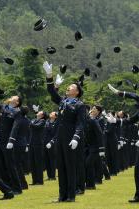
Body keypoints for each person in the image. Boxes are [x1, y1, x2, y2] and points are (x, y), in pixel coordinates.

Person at [43, 61, 86, 202]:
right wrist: (49, 76)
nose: (68, 88)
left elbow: (80, 123)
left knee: (70, 167)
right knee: (60, 167)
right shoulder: (63, 102)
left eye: (71, 87)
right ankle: (62, 196)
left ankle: (71, 196)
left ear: (77, 91)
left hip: (70, 138)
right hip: (60, 137)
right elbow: (51, 92)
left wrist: (76, 137)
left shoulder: (80, 105)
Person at [0, 82, 24, 195]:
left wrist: (11, 140)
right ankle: (7, 187)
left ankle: (17, 188)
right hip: (0, 141)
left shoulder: (17, 112)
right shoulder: (4, 108)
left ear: (17, 102)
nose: (11, 98)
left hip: (8, 142)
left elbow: (15, 127)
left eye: (14, 98)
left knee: (10, 165)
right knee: (0, 165)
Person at [85, 105, 105, 190]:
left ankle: (91, 184)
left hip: (95, 146)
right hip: (88, 147)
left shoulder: (93, 121)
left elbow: (100, 134)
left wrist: (101, 148)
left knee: (89, 163)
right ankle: (89, 184)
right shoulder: (85, 121)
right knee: (87, 164)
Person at [28, 110, 46, 185]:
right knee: (32, 162)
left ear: (42, 115)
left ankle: (39, 180)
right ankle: (34, 180)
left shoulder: (42, 121)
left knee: (38, 162)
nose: (38, 112)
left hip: (38, 143)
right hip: (32, 143)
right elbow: (31, 125)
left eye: (40, 112)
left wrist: (32, 123)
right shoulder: (34, 120)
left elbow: (36, 126)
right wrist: (32, 123)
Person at [43, 111, 58, 181]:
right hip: (45, 143)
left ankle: (53, 176)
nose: (50, 114)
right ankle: (49, 175)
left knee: (52, 160)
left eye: (52, 113)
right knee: (47, 159)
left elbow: (56, 134)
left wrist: (51, 142)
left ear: (55, 116)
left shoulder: (56, 123)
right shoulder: (47, 121)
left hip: (52, 143)